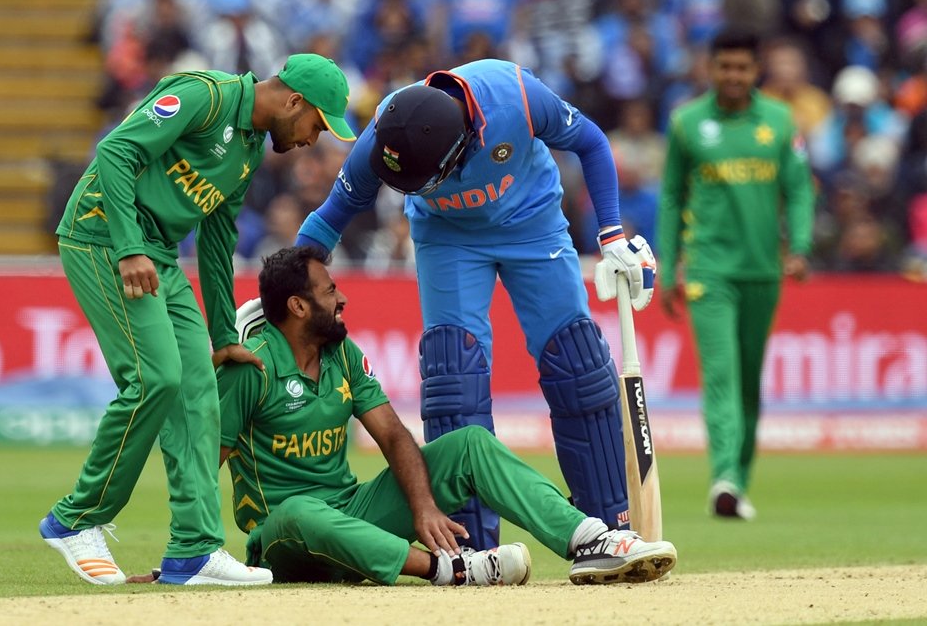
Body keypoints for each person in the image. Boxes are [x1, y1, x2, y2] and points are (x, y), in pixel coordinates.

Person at [293, 58, 657, 550]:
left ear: (463, 148)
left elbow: (589, 140)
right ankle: (475, 548)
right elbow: (330, 218)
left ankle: (609, 531)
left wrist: (611, 232)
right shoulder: (386, 131)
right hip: (447, 238)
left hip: (532, 222)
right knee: (453, 379)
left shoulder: (519, 98)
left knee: (578, 367)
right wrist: (282, 290)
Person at [39, 53, 356, 586]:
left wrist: (225, 336)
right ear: (294, 101)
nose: (312, 139)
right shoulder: (203, 96)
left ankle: (194, 551)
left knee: (200, 392)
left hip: (157, 253)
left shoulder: (250, 149)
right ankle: (76, 518)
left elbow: (216, 239)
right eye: (316, 124)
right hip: (103, 239)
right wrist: (129, 246)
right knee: (154, 378)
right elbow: (116, 151)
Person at [208, 246, 677, 586]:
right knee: (299, 511)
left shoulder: (342, 355)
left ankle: (589, 540)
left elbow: (392, 436)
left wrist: (423, 507)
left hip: (350, 511)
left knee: (468, 443)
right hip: (281, 537)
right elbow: (207, 464)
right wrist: (190, 553)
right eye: (330, 291)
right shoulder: (252, 368)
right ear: (297, 306)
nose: (342, 299)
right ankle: (451, 569)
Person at [657, 28, 815, 519]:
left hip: (762, 269)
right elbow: (671, 198)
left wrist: (802, 246)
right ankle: (723, 474)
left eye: (742, 68)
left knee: (749, 383)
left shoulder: (780, 120)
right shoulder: (687, 123)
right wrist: (668, 268)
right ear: (711, 68)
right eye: (724, 66)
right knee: (721, 375)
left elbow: (801, 188)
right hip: (709, 269)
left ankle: (738, 484)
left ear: (755, 71)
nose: (733, 76)